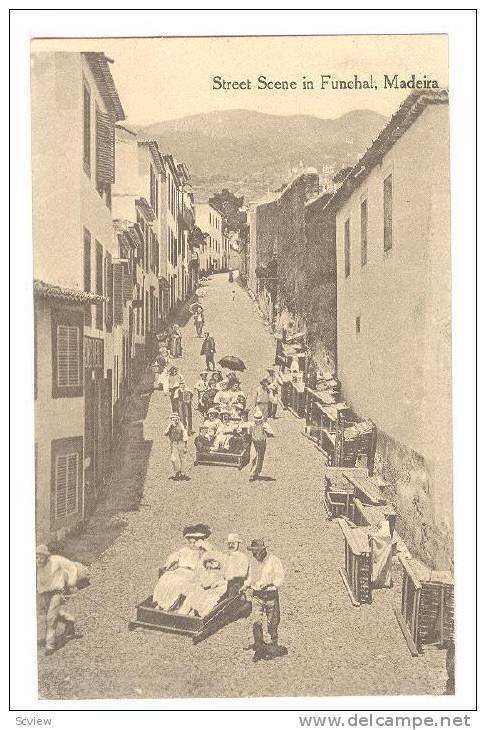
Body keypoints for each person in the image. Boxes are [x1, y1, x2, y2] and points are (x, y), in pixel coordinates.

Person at [36, 545, 89, 655]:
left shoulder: (56, 560)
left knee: (51, 618)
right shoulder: (38, 565)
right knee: (52, 614)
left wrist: (71, 582)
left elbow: (71, 567)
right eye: (37, 557)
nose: (39, 560)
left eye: (41, 557)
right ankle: (69, 620)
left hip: (57, 591)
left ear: (47, 556)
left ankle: (50, 645)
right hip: (44, 593)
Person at [153, 524, 214, 611]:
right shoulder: (184, 551)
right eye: (190, 542)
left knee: (179, 582)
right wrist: (166, 566)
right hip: (179, 571)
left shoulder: (202, 553)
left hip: (191, 574)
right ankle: (161, 604)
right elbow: (172, 558)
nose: (192, 545)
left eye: (194, 542)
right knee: (166, 578)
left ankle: (171, 606)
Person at [244, 539, 286, 662]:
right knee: (256, 621)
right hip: (257, 596)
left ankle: (273, 647)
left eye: (255, 552)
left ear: (263, 550)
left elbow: (280, 578)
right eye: (252, 552)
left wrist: (269, 583)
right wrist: (245, 585)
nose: (253, 554)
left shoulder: (274, 561)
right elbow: (251, 577)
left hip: (270, 596)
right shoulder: (253, 561)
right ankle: (259, 648)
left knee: (272, 623)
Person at [242, 408, 273, 482]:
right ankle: (252, 473)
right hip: (254, 442)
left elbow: (271, 431)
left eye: (259, 419)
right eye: (256, 419)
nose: (257, 421)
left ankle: (257, 471)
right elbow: (249, 432)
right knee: (253, 456)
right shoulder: (252, 425)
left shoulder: (264, 425)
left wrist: (267, 431)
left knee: (260, 457)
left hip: (262, 442)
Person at [164, 413, 189, 480]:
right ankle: (177, 471)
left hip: (181, 443)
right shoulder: (170, 425)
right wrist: (169, 427)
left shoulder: (181, 425)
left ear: (178, 419)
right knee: (173, 458)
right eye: (172, 419)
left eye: (175, 419)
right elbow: (165, 433)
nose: (174, 420)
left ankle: (183, 473)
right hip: (174, 444)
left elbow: (185, 434)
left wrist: (185, 446)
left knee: (182, 458)